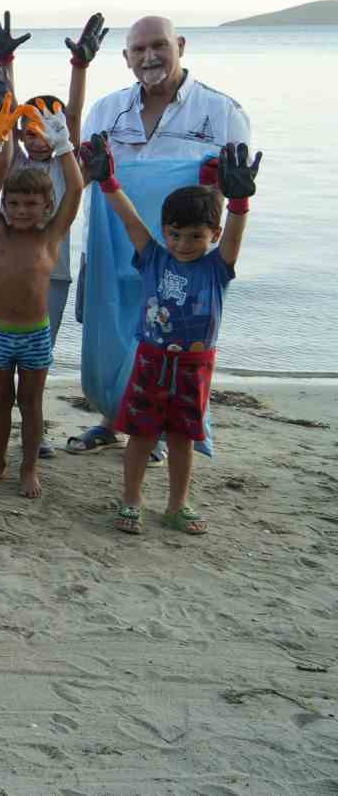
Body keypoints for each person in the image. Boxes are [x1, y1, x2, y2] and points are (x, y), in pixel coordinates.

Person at [67, 15, 252, 456]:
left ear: (181, 45)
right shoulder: (107, 110)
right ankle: (114, 419)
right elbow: (81, 170)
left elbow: (235, 185)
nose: (150, 56)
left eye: (160, 46)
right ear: (126, 57)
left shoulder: (221, 111)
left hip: (183, 257)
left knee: (167, 342)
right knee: (110, 333)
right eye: (139, 49)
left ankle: (157, 430)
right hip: (114, 247)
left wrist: (218, 186)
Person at [83, 134, 259, 534]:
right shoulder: (153, 256)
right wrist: (109, 182)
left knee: (183, 439)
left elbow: (234, 236)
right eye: (176, 234)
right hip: (151, 361)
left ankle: (177, 505)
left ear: (212, 235)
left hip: (195, 366)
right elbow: (129, 219)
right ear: (164, 230)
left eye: (196, 236)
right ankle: (132, 499)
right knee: (141, 437)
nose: (183, 244)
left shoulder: (218, 267)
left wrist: (239, 204)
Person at [0, 90, 81, 498]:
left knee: (30, 403)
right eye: (13, 203)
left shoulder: (51, 237)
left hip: (34, 334)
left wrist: (64, 144)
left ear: (47, 205)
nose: (20, 210)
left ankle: (29, 468)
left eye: (30, 204)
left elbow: (76, 190)